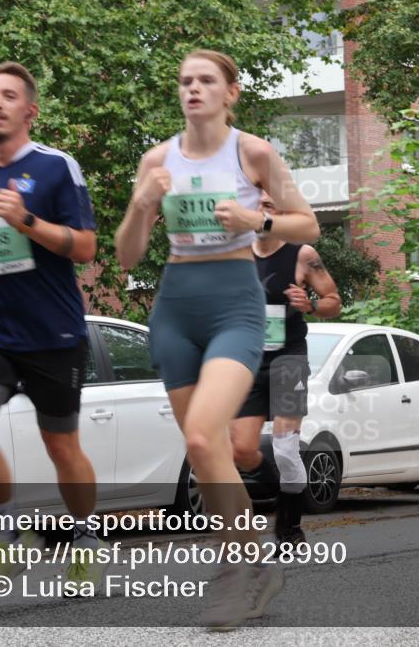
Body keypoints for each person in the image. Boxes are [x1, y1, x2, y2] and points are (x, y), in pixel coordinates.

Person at [115, 49, 320, 630]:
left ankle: (234, 573)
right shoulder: (157, 159)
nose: (193, 89)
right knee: (205, 451)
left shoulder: (252, 152)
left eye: (206, 80)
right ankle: (256, 561)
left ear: (230, 92)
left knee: (208, 438)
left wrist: (258, 221)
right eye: (185, 81)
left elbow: (308, 222)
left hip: (236, 305)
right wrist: (141, 204)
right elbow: (128, 255)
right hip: (175, 309)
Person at [0, 62, 104, 594]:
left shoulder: (56, 167)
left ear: (29, 110)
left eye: (8, 96)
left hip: (53, 332)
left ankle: (84, 540)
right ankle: (6, 537)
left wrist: (27, 220)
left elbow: (86, 246)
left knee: (61, 447)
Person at [231, 192, 341, 552]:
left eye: (268, 204)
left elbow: (333, 302)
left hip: (288, 359)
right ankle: (285, 496)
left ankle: (290, 529)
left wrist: (309, 304)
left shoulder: (302, 255)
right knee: (243, 450)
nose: (260, 209)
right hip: (249, 360)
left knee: (283, 448)